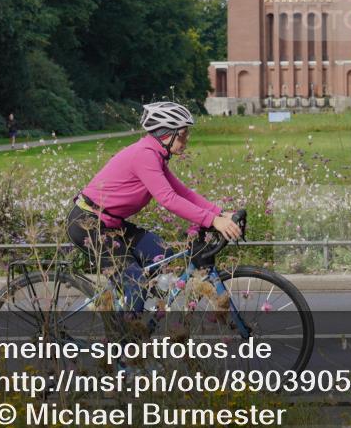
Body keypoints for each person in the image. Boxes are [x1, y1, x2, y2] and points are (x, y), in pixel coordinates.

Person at [66, 101, 242, 313]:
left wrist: (220, 213)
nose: (187, 139)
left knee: (163, 255)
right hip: (88, 224)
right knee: (136, 283)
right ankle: (127, 340)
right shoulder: (145, 155)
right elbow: (168, 199)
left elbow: (183, 192)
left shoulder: (155, 154)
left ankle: (138, 311)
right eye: (183, 134)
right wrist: (212, 220)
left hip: (110, 222)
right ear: (166, 134)